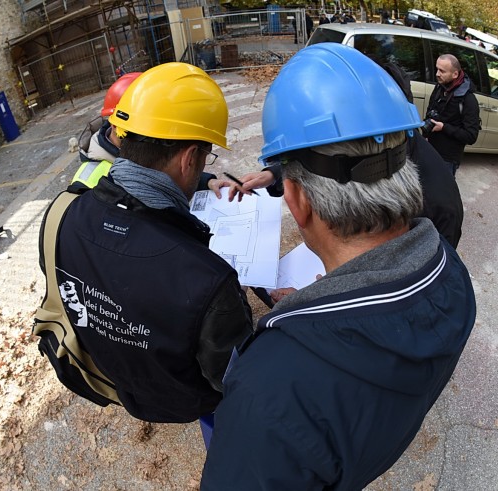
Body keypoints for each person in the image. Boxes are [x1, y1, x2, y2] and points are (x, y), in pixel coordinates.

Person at [201, 43, 476, 490]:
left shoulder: (268, 390)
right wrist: (321, 304)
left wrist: (309, 319)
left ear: (297, 200)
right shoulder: (455, 276)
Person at [40, 62, 254, 423]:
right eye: (205, 155)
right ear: (190, 159)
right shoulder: (207, 281)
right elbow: (240, 381)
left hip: (119, 380)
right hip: (189, 403)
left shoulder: (60, 215)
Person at [228, 61, 464, 249]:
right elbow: (333, 158)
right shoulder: (380, 148)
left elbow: (425, 276)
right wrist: (273, 174)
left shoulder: (441, 204)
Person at [71, 71, 230, 197]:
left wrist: (205, 182)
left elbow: (165, 173)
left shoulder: (139, 147)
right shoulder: (88, 182)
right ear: (116, 124)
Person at [424, 54, 481, 176]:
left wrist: (444, 127)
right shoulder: (440, 86)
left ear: (455, 74)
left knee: (441, 192)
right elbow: (431, 110)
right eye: (437, 69)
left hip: (447, 159)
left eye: (442, 71)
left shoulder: (468, 100)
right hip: (430, 148)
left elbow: (471, 136)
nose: (437, 74)